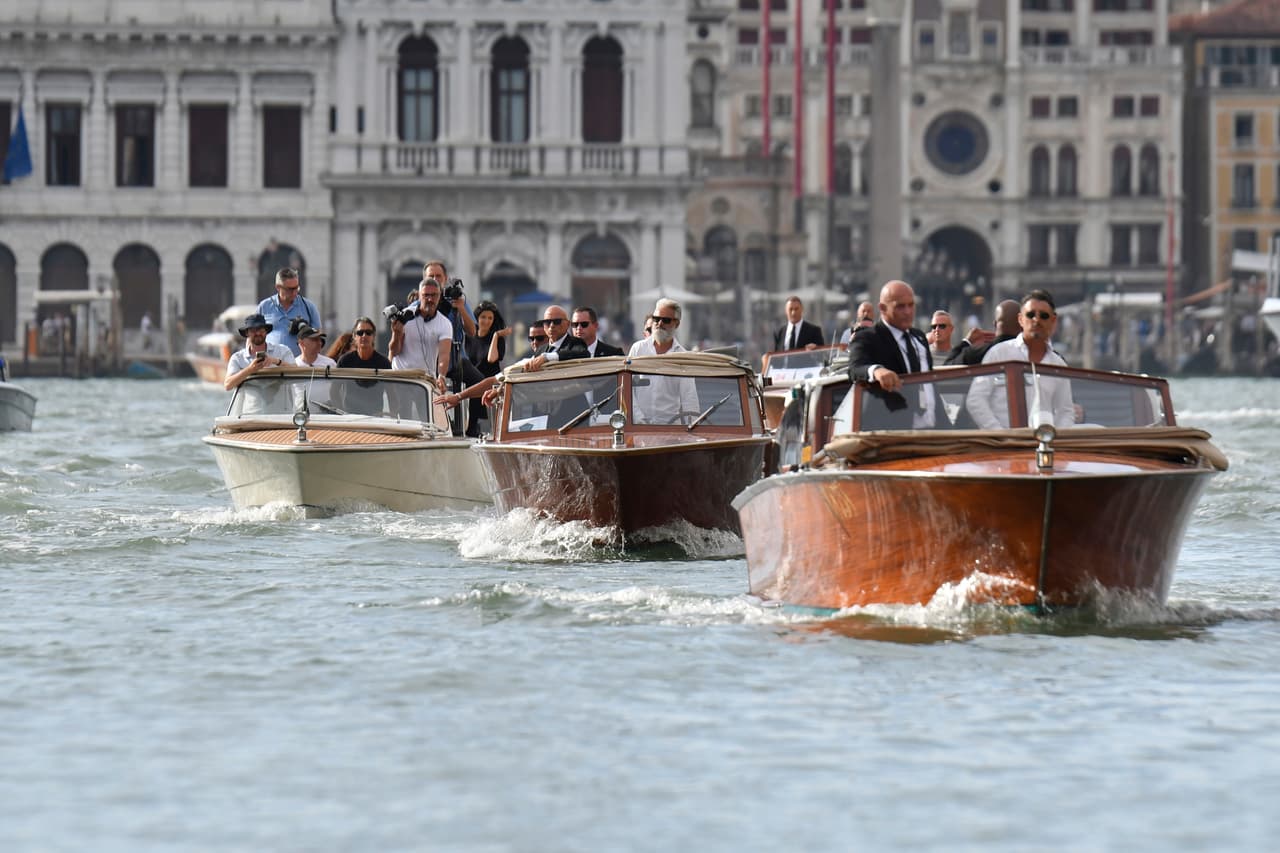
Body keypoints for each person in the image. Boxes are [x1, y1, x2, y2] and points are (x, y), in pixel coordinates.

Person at [965, 289, 1076, 430]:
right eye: (1030, 315)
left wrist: (1054, 441)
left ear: (1053, 320)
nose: (1037, 320)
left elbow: (1065, 411)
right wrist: (1000, 434)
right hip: (1002, 446)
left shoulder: (1058, 364)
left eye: (1044, 316)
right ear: (1020, 319)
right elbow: (976, 400)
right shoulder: (998, 354)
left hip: (1044, 446)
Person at [847, 280, 935, 429]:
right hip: (893, 434)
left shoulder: (919, 338)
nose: (908, 311)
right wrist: (877, 371)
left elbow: (930, 384)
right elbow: (855, 368)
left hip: (934, 430)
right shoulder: (868, 337)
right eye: (900, 306)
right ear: (882, 308)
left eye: (911, 305)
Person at [627, 298, 699, 424]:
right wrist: (638, 419)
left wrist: (693, 432)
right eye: (656, 319)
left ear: (676, 324)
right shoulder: (638, 349)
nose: (659, 323)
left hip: (670, 431)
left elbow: (689, 399)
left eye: (665, 320)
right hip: (637, 428)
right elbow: (627, 387)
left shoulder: (683, 357)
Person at [389, 277, 453, 388]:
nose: (429, 299)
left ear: (439, 297)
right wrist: (396, 333)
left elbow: (444, 356)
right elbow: (394, 351)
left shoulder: (445, 323)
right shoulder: (405, 316)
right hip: (401, 376)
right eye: (426, 295)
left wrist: (441, 376)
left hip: (425, 381)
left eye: (433, 295)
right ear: (419, 296)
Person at [463, 301, 511, 437]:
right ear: (477, 318)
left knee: (491, 426)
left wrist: (495, 336)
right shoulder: (468, 337)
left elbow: (491, 359)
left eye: (490, 318)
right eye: (483, 317)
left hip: (489, 385)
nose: (487, 321)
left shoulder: (497, 339)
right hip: (471, 384)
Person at [224, 312, 295, 391]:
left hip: (281, 403)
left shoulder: (282, 351)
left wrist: (275, 361)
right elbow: (227, 385)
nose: (257, 333)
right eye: (253, 330)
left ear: (266, 331)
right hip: (250, 403)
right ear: (247, 333)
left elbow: (297, 372)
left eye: (261, 329)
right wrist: (250, 370)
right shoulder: (237, 358)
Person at [258, 267, 321, 357]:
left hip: (299, 366)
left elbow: (318, 340)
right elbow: (253, 337)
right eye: (290, 289)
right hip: (271, 364)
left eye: (296, 288)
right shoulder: (264, 307)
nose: (295, 292)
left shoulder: (309, 307)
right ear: (278, 287)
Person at [946, 299, 1020, 366]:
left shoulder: (974, 354)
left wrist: (966, 341)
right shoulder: (1029, 352)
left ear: (995, 324)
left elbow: (947, 367)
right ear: (1021, 323)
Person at [522, 305, 590, 372]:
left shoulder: (576, 343)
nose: (552, 326)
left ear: (567, 324)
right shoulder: (541, 350)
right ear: (544, 326)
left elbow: (583, 353)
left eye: (557, 322)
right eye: (548, 322)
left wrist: (547, 357)